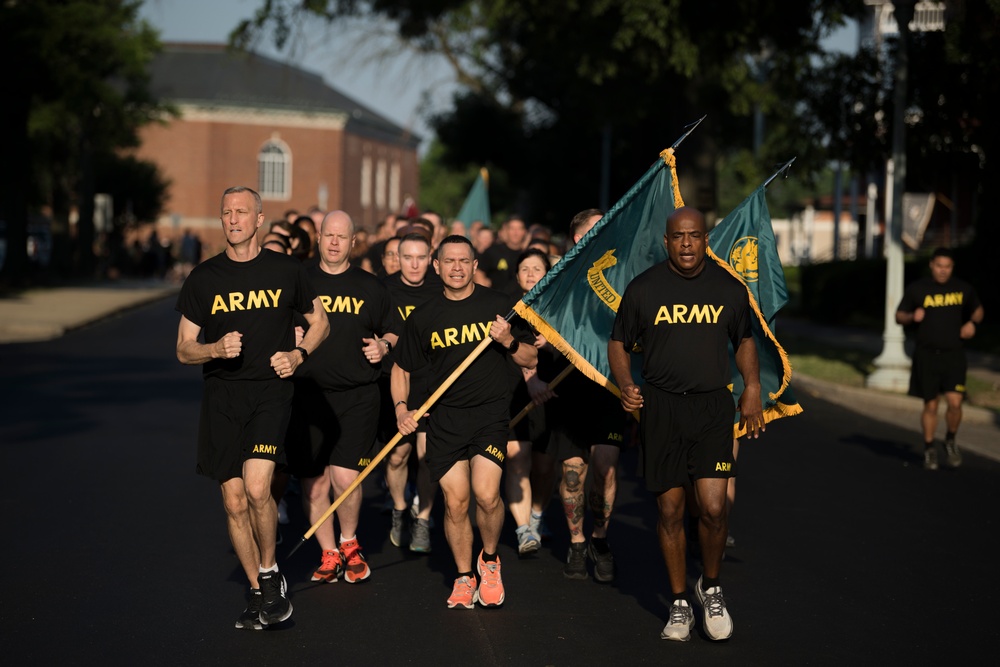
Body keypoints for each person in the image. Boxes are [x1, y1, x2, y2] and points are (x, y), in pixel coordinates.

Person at [175, 186, 330, 630]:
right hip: (222, 398)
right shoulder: (204, 279)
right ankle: (262, 589)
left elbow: (321, 321)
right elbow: (184, 349)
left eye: (242, 211)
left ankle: (268, 571)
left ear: (259, 219)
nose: (233, 219)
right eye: (226, 212)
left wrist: (299, 356)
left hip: (269, 392)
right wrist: (214, 349)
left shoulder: (287, 270)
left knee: (259, 486)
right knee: (233, 498)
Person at [608, 206, 763, 642]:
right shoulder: (644, 289)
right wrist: (624, 383)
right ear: (667, 242)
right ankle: (679, 601)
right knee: (670, 510)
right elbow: (618, 342)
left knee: (714, 508)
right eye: (679, 237)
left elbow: (745, 339)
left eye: (695, 236)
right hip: (662, 410)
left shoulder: (728, 289)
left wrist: (751, 387)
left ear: (705, 239)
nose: (688, 244)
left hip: (714, 408)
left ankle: (710, 587)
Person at [391, 235, 537, 609]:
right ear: (436, 267)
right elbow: (401, 367)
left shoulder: (501, 307)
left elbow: (530, 358)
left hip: (489, 416)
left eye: (464, 261)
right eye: (449, 262)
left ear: (475, 265)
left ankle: (489, 561)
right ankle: (462, 576)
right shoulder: (423, 316)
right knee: (456, 504)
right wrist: (401, 409)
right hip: (444, 421)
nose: (456, 268)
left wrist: (507, 341)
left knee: (487, 497)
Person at [288, 210, 397, 586]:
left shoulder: (371, 286)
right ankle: (328, 551)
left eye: (342, 237)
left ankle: (349, 542)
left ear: (353, 242)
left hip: (357, 395)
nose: (334, 242)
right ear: (318, 238)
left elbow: (395, 332)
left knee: (346, 477)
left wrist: (383, 346)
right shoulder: (299, 281)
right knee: (315, 484)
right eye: (328, 235)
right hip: (307, 395)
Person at [547, 209, 625, 583]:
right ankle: (577, 542)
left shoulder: (620, 272)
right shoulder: (560, 277)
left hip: (609, 385)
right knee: (573, 474)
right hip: (570, 386)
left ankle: (600, 538)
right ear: (578, 238)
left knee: (606, 468)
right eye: (595, 230)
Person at [380, 233, 442, 552]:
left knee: (427, 456)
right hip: (394, 382)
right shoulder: (384, 289)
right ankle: (400, 507)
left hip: (432, 383)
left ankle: (423, 520)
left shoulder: (440, 289)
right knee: (397, 455)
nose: (414, 264)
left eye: (420, 258)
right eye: (407, 257)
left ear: (430, 259)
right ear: (397, 258)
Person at [895, 247, 984, 470]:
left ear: (952, 267)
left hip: (954, 355)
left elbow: (978, 310)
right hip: (927, 356)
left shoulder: (963, 289)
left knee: (955, 403)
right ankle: (929, 448)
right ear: (932, 265)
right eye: (939, 266)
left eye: (948, 267)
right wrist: (911, 316)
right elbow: (899, 315)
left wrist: (972, 323)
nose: (943, 271)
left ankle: (950, 440)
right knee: (931, 405)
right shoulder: (918, 289)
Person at [504, 248, 556, 555]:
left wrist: (554, 342)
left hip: (552, 394)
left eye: (537, 268)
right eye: (524, 268)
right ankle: (524, 530)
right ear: (516, 274)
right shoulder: (507, 308)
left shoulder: (557, 308)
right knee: (518, 459)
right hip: (516, 394)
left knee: (545, 466)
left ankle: (537, 515)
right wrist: (529, 377)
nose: (530, 274)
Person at [479, 217, 529, 294]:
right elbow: (479, 270)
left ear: (524, 232)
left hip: (520, 303)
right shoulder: (492, 251)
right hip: (495, 300)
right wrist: (482, 283)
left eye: (519, 229)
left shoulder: (528, 256)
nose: (515, 233)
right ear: (506, 231)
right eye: (512, 228)